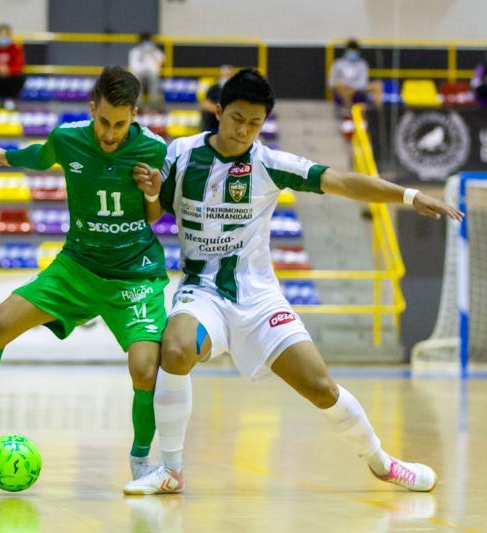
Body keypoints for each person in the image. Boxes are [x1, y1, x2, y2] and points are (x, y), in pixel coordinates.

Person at [124, 69, 463, 495]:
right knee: (174, 349)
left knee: (321, 388)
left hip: (259, 299)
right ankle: (170, 470)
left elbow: (341, 181)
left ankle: (383, 462)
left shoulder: (267, 163)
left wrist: (410, 197)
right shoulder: (181, 153)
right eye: (237, 119)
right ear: (218, 110)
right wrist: (153, 194)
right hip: (202, 292)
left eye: (255, 123)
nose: (244, 130)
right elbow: (155, 214)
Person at [0, 67, 170, 482]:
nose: (110, 133)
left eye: (120, 124)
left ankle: (140, 463)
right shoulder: (68, 137)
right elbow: (41, 156)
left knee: (145, 370)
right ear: (92, 108)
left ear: (134, 115)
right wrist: (5, 155)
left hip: (135, 277)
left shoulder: (153, 148)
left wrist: (152, 192)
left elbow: (156, 214)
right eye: (104, 122)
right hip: (76, 268)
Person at [328, 39, 383, 111]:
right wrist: (345, 85)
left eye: (354, 51)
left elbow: (363, 82)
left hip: (358, 90)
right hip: (343, 90)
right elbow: (331, 82)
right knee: (340, 84)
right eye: (350, 50)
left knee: (378, 84)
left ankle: (377, 111)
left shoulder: (362, 64)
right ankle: (349, 108)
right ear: (346, 51)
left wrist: (353, 88)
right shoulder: (338, 63)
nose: (352, 53)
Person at [128, 32, 165, 106]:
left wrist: (152, 54)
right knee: (136, 78)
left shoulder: (154, 51)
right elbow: (133, 66)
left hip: (151, 72)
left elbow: (162, 59)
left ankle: (153, 102)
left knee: (154, 77)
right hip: (139, 72)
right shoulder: (135, 51)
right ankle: (138, 103)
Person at [200, 64, 234, 132]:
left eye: (227, 75)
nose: (225, 78)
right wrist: (223, 111)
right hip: (212, 126)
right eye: (223, 75)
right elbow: (206, 105)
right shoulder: (214, 88)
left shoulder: (235, 89)